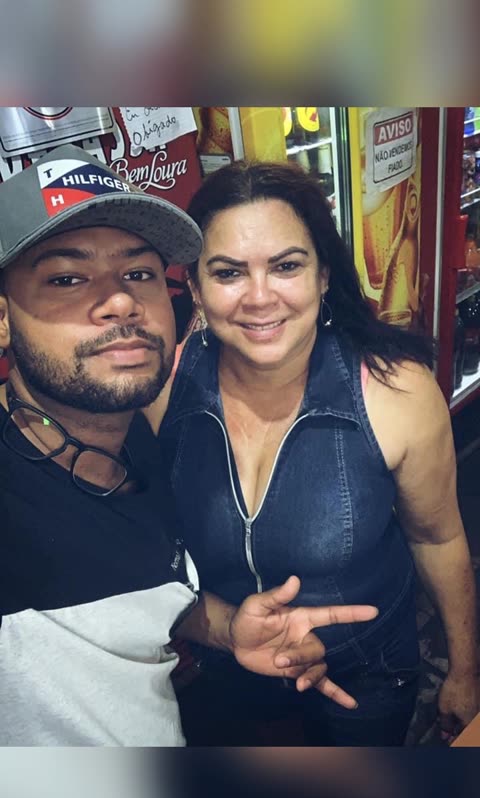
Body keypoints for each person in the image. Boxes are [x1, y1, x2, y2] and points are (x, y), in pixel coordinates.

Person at [0, 143, 378, 746]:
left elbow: (139, 581)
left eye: (139, 274)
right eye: (67, 278)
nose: (121, 301)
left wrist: (228, 628)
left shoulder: (136, 429)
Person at [157, 159, 479, 746]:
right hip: (231, 663)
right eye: (228, 272)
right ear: (197, 288)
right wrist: (218, 630)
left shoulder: (398, 393)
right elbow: (139, 547)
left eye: (286, 266)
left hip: (367, 676)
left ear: (323, 275)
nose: (260, 297)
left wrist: (464, 671)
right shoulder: (163, 388)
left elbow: (438, 539)